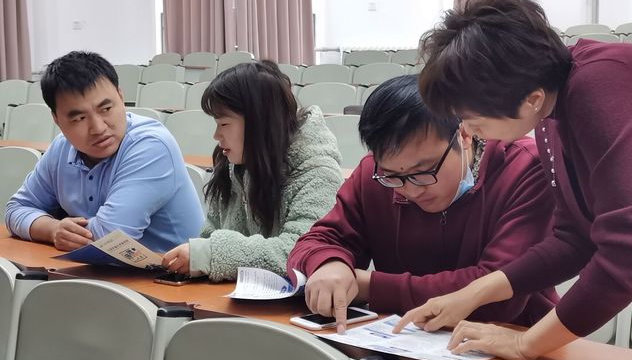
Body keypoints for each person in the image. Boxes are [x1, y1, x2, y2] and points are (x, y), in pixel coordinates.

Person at [394, 0, 632, 360]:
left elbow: (629, 258)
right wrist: (471, 294)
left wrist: (525, 344)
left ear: (532, 99)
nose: (470, 131)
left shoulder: (606, 89)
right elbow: (575, 239)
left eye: (474, 119)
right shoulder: (550, 112)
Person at [287, 75, 557, 333]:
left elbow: (500, 294)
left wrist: (369, 286)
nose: (412, 190)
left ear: (464, 134)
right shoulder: (375, 175)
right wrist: (328, 263)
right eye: (394, 176)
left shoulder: (526, 168)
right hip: (402, 338)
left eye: (424, 170)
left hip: (513, 340)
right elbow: (316, 241)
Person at [5, 50, 204, 253]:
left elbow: (111, 238)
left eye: (106, 109)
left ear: (121, 96)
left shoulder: (151, 146)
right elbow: (15, 209)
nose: (98, 128)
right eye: (79, 118)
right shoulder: (61, 148)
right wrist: (53, 229)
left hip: (168, 270)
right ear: (56, 119)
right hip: (98, 268)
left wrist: (59, 230)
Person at [162, 61, 343, 281]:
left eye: (224, 124)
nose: (216, 135)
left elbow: (300, 252)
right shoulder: (233, 166)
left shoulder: (319, 173)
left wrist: (210, 254)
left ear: (259, 122)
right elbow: (211, 233)